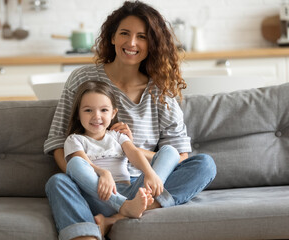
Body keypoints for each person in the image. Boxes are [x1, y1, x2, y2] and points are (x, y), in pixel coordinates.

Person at [44, 1, 217, 240]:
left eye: (142, 37)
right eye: (124, 33)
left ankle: (118, 218)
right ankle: (89, 234)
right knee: (58, 182)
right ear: (112, 37)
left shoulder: (160, 89)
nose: (132, 43)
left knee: (204, 164)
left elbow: (179, 154)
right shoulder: (83, 78)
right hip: (93, 187)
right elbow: (57, 144)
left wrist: (129, 148)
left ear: (152, 44)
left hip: (143, 188)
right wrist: (90, 179)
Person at [64, 80, 180, 220]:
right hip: (102, 196)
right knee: (74, 162)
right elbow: (83, 162)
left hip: (131, 192)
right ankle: (125, 207)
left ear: (113, 113)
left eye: (104, 110)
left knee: (170, 151)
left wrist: (150, 173)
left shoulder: (118, 136)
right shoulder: (74, 140)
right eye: (88, 110)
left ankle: (138, 202)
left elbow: (134, 153)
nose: (96, 116)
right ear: (78, 114)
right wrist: (103, 173)